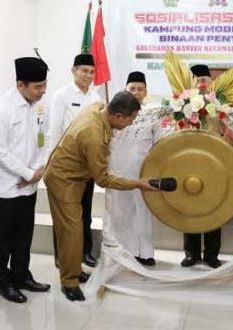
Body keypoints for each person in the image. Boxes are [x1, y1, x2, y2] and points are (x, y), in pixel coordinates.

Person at [44, 91, 157, 302]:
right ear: (119, 116)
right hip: (64, 181)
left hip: (75, 177)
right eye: (131, 119)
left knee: (76, 230)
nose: (131, 124)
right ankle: (69, 282)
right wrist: (138, 184)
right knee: (72, 232)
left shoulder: (98, 108)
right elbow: (103, 179)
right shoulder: (93, 135)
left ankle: (75, 269)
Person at [0, 57, 52, 304]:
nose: (43, 91)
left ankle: (22, 275)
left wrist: (37, 170)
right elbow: (0, 151)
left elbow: (45, 138)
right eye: (37, 87)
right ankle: (4, 283)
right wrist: (26, 173)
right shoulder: (1, 108)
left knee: (24, 236)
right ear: (21, 85)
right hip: (6, 186)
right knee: (3, 238)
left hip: (30, 183)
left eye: (44, 85)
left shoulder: (41, 105)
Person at [104, 71, 169, 266]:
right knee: (120, 211)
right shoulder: (113, 112)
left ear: (146, 91)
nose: (136, 92)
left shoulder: (154, 114)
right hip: (117, 168)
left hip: (144, 170)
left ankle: (144, 253)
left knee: (142, 211)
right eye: (132, 88)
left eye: (140, 89)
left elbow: (160, 143)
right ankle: (122, 252)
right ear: (125, 89)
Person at [46, 53, 101, 268]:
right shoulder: (62, 95)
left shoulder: (96, 99)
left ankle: (85, 252)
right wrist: (53, 164)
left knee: (84, 212)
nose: (88, 75)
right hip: (65, 168)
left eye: (91, 71)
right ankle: (62, 256)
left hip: (86, 167)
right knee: (64, 215)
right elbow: (55, 131)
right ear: (73, 71)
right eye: (84, 70)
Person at [180, 64, 224, 268]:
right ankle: (191, 253)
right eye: (198, 81)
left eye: (205, 80)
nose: (203, 84)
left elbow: (228, 132)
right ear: (192, 84)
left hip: (215, 166)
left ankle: (212, 255)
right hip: (189, 165)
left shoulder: (220, 105)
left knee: (215, 209)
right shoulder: (180, 106)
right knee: (190, 209)